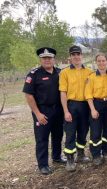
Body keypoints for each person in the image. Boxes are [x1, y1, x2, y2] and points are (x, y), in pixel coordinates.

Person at [23, 47, 66, 175]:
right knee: (42, 139)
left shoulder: (60, 72)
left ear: (54, 59)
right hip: (42, 111)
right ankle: (43, 165)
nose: (47, 60)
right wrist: (37, 114)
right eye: (44, 58)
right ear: (40, 59)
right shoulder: (34, 74)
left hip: (58, 110)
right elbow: (28, 95)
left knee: (58, 135)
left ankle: (57, 157)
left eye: (49, 58)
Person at [59, 45, 93, 172]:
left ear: (82, 56)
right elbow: (63, 93)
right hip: (71, 106)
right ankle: (70, 159)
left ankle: (81, 154)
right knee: (70, 132)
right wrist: (66, 111)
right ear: (70, 57)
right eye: (73, 54)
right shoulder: (64, 72)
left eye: (78, 54)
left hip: (85, 105)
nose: (76, 57)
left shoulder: (89, 72)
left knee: (83, 131)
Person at [84, 53, 107, 166]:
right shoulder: (91, 77)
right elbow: (88, 95)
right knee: (96, 132)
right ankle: (96, 155)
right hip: (96, 104)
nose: (101, 63)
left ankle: (106, 151)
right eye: (99, 61)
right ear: (96, 62)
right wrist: (93, 109)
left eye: (103, 60)